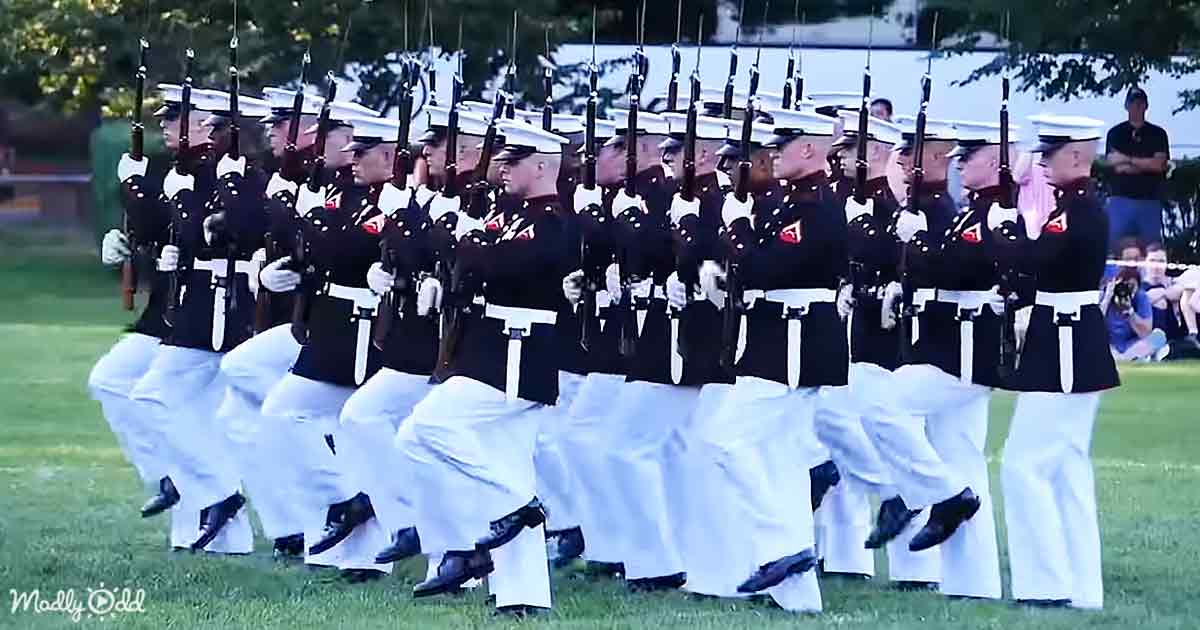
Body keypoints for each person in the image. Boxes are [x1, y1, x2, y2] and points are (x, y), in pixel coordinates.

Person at [396, 120, 570, 616]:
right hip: (490, 350)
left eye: (513, 161)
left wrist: (464, 241)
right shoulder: (511, 215)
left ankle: (510, 511)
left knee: (423, 430)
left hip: (518, 357)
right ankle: (524, 596)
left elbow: (494, 266)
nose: (502, 168)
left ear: (541, 166)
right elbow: (467, 257)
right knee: (505, 461)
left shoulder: (553, 221)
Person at [1002, 114, 1119, 609]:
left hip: (1065, 341)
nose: (1042, 163)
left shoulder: (1076, 212)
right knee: (1067, 467)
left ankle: (1046, 584)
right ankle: (1080, 587)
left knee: (1023, 464)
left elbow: (1036, 260)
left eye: (1050, 154)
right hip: (1066, 336)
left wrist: (1002, 229)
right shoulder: (1072, 209)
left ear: (1077, 156)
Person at [1104, 87, 1169, 248]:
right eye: (1133, 103)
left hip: (1149, 201)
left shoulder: (1158, 134)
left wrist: (1128, 160)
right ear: (1126, 106)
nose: (1137, 107)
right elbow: (1114, 164)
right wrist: (1145, 164)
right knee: (1115, 248)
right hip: (1120, 201)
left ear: (1146, 106)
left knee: (1151, 249)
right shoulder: (1116, 133)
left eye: (1140, 103)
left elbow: (1159, 165)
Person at [1103, 240, 1167, 361]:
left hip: (1131, 346)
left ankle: (1126, 358)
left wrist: (1130, 312)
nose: (1132, 263)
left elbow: (1145, 333)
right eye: (1128, 259)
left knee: (1159, 336)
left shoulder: (1141, 296)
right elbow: (1095, 324)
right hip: (1109, 346)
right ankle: (1135, 358)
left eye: (1136, 259)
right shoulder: (1106, 291)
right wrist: (1107, 297)